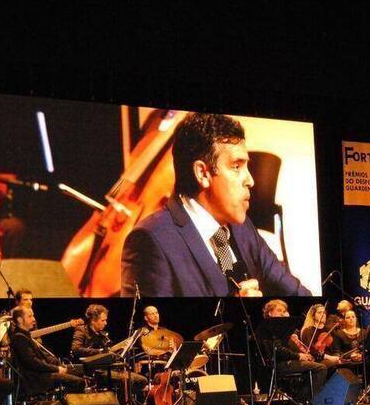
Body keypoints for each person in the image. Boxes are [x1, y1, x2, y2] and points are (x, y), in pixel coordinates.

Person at [121, 113, 311, 297]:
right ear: (203, 174)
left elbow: (297, 294)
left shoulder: (243, 227)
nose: (250, 180)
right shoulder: (150, 240)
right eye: (236, 166)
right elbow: (148, 318)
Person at [71, 304, 148, 399]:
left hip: (109, 368)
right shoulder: (81, 330)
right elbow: (76, 349)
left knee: (142, 380)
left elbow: (109, 351)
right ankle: (120, 404)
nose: (106, 323)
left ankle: (123, 402)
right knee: (131, 380)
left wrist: (121, 348)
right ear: (93, 320)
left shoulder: (102, 335)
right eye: (103, 320)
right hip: (95, 371)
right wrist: (100, 351)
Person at [9, 306, 85, 396]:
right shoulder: (19, 338)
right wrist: (56, 369)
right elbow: (33, 363)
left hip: (41, 374)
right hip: (36, 379)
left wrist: (57, 364)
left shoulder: (25, 336)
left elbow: (42, 357)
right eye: (30, 316)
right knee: (79, 382)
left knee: (78, 371)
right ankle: (63, 401)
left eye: (33, 316)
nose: (34, 319)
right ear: (20, 320)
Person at [259, 299, 327, 400]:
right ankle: (305, 399)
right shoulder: (271, 328)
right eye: (279, 310)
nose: (282, 313)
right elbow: (278, 350)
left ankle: (302, 398)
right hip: (280, 364)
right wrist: (299, 356)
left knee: (316, 366)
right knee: (321, 368)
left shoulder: (282, 328)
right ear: (270, 313)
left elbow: (289, 347)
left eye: (284, 311)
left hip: (288, 361)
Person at [299, 304, 341, 368]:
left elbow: (336, 348)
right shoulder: (307, 330)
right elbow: (311, 350)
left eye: (324, 313)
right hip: (317, 360)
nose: (322, 315)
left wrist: (336, 356)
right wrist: (329, 357)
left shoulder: (330, 329)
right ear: (313, 316)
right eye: (319, 312)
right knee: (331, 364)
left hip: (331, 358)